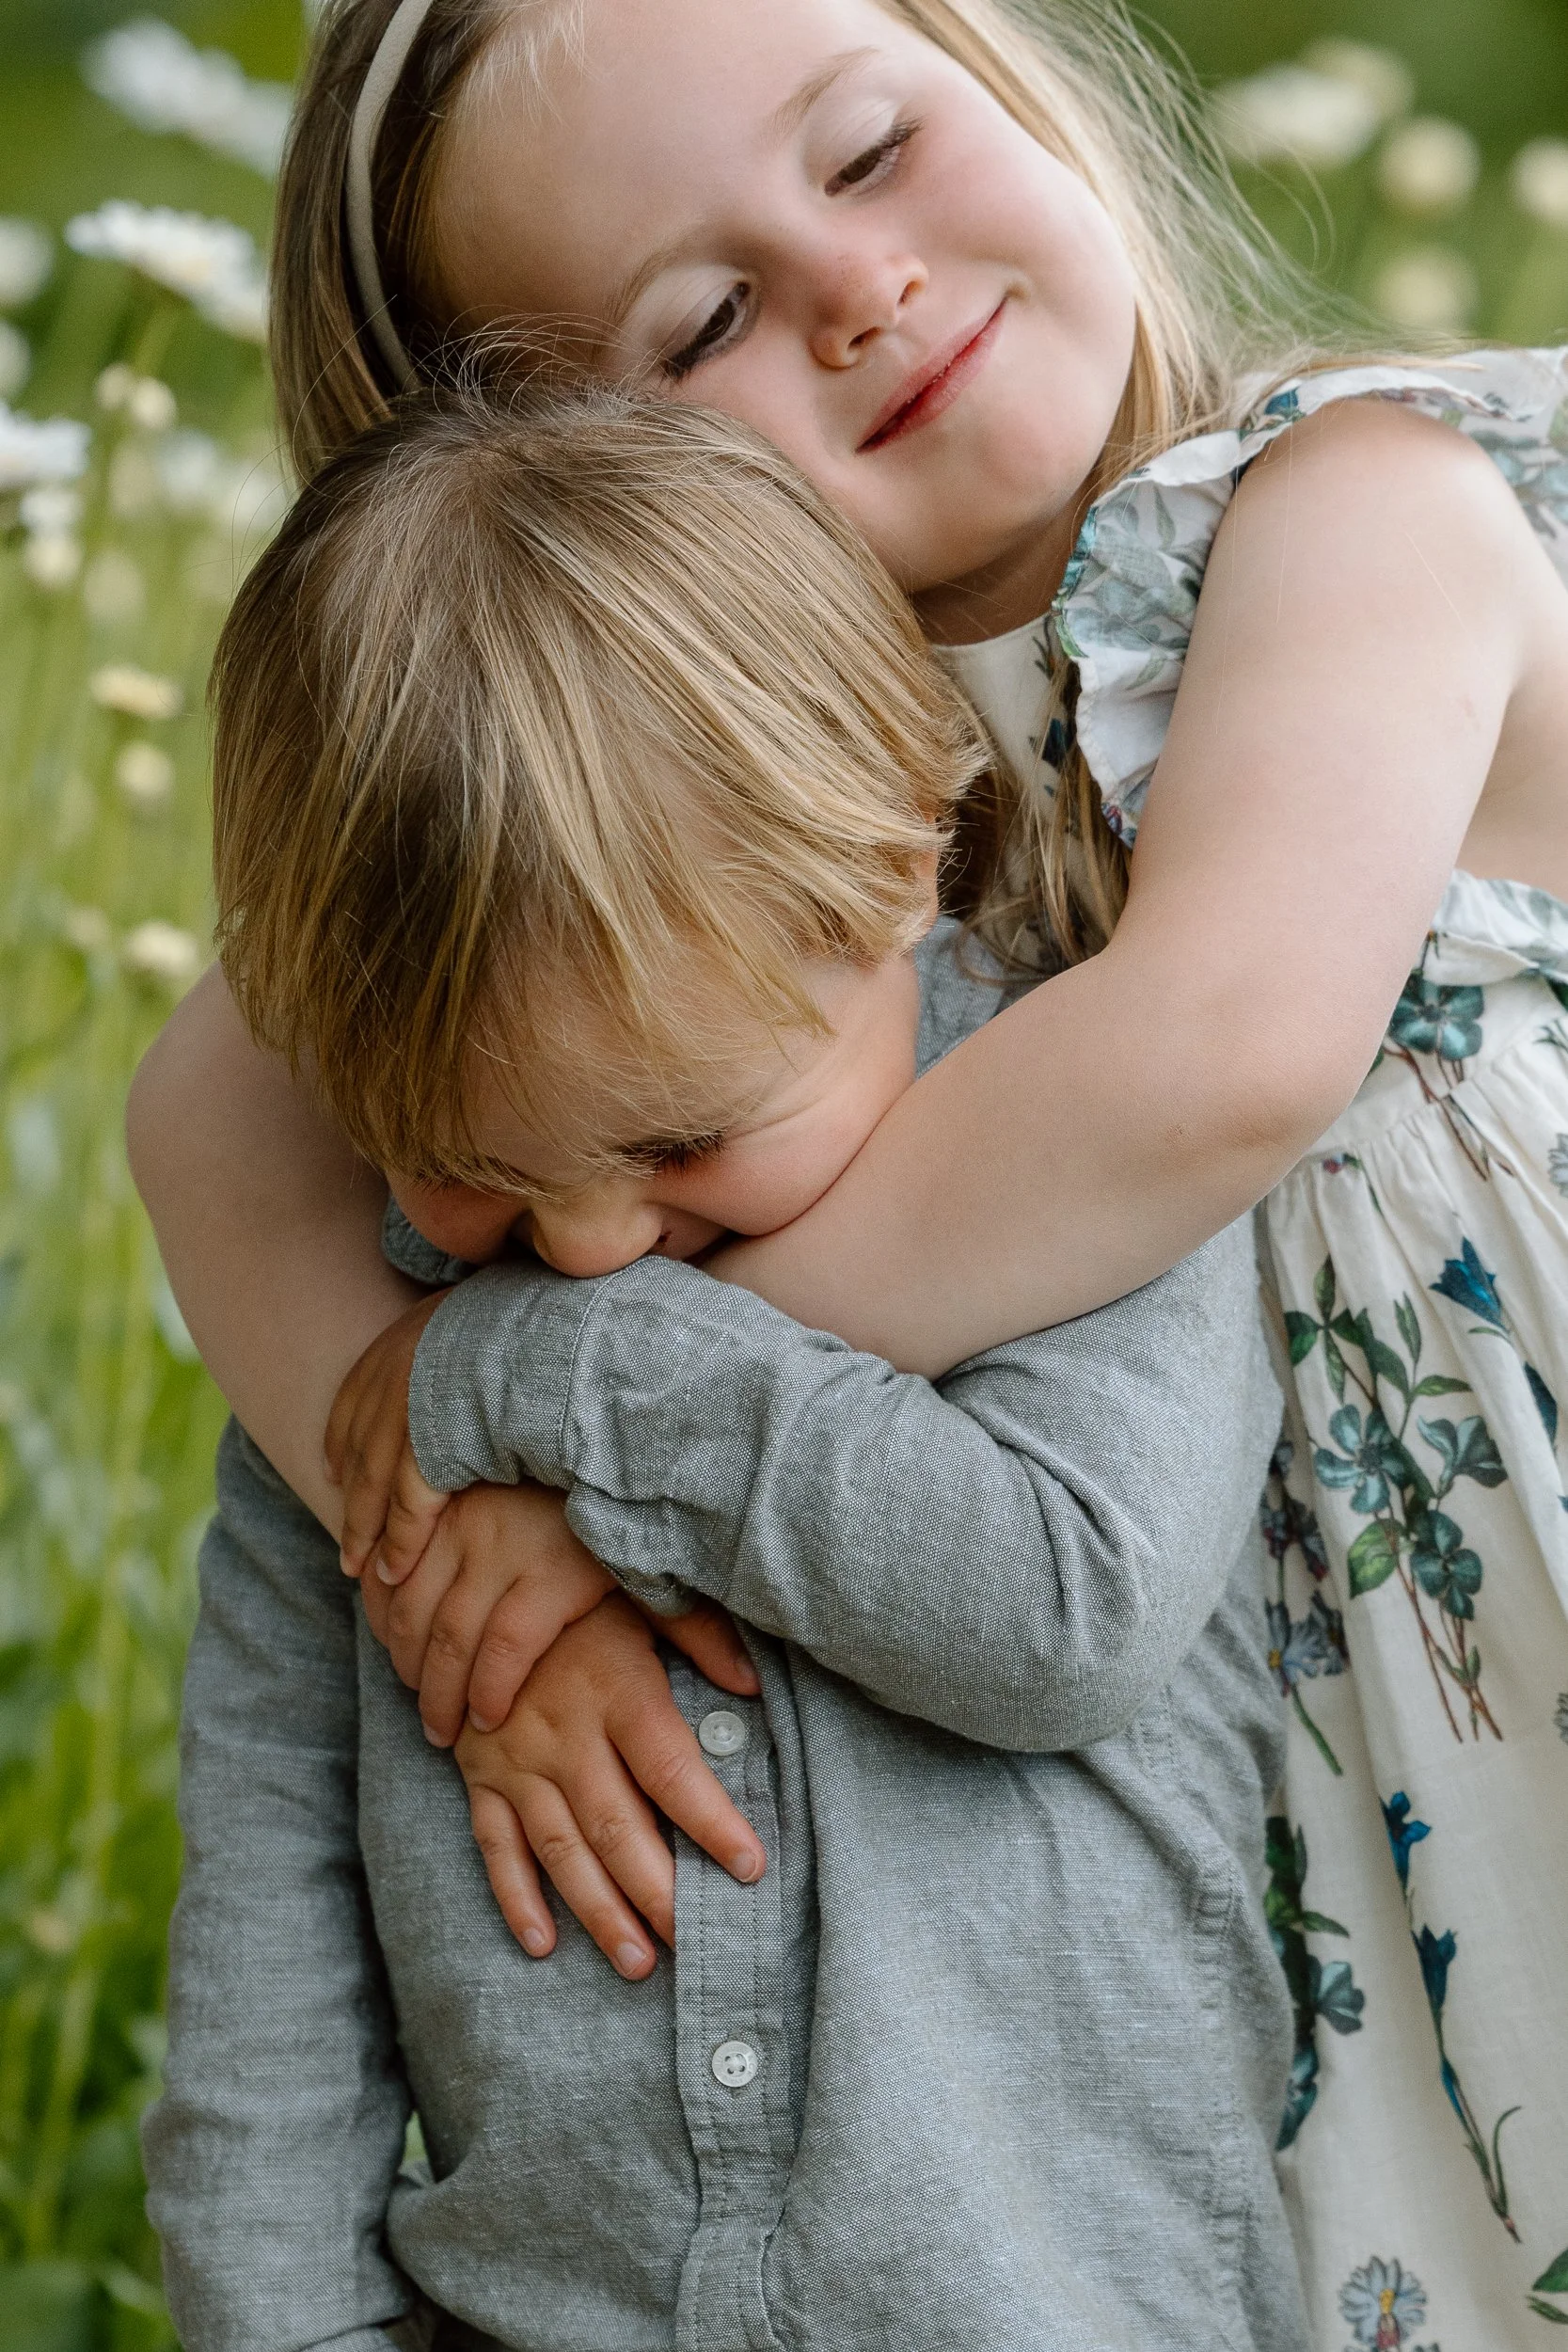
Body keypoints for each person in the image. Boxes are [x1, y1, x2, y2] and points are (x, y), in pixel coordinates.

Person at [125, 0, 1568, 2341]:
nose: (855, 285)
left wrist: (535, 1421)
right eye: (696, 321)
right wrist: (459, 1575)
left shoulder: (1346, 513)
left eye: (876, 145)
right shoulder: (702, 818)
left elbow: (1206, 1064)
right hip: (1226, 1824)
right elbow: (209, 1112)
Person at [142, 379, 1303, 2352]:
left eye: (680, 1139)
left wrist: (545, 1366)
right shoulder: (380, 1335)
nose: (590, 1242)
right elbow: (268, 1929)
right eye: (478, 1162)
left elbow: (1054, 1615)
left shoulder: (1073, 1160)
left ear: (901, 866)